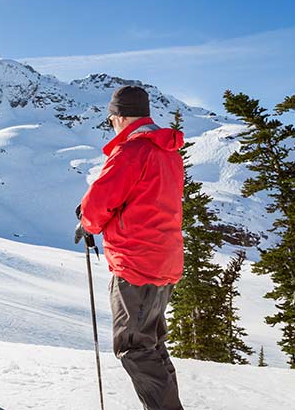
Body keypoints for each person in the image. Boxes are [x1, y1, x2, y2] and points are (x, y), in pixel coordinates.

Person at [75, 85, 184, 410]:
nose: (112, 125)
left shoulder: (132, 152)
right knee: (151, 345)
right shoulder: (168, 152)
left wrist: (87, 222)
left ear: (120, 118)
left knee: (134, 348)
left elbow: (98, 204)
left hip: (136, 265)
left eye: (111, 120)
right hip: (163, 262)